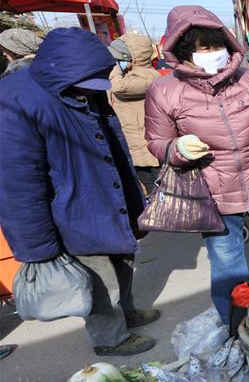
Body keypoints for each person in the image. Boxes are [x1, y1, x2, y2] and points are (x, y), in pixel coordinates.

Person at [144, 6, 249, 324]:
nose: (213, 54)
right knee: (228, 269)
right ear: (184, 52)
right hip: (214, 194)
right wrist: (176, 148)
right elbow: (157, 143)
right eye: (203, 49)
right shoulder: (165, 90)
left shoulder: (247, 80)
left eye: (217, 46)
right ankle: (237, 327)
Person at [0, 28, 158, 356]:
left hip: (106, 191)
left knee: (123, 260)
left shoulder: (84, 86)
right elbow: (17, 180)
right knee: (99, 277)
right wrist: (37, 244)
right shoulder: (16, 99)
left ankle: (126, 313)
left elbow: (111, 139)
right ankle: (109, 338)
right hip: (73, 206)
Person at [107, 33, 161, 195]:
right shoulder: (125, 75)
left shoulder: (149, 76)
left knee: (155, 188)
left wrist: (114, 68)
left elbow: (119, 88)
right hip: (131, 141)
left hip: (146, 145)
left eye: (119, 57)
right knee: (141, 185)